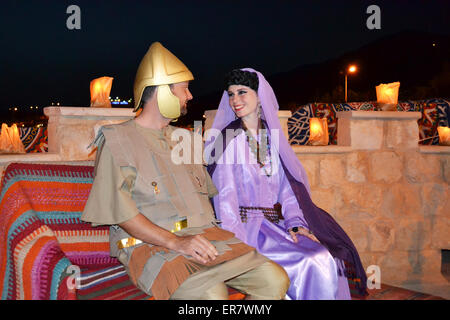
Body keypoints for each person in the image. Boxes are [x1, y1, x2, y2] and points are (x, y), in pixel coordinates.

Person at [81, 43, 290, 300]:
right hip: (149, 246)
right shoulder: (117, 140)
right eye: (184, 89)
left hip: (205, 238)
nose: (190, 96)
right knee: (212, 294)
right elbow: (122, 215)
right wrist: (176, 242)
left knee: (275, 280)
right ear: (162, 92)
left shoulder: (187, 140)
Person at [205, 68, 367, 300]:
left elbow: (288, 190)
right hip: (245, 232)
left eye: (242, 92)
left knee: (323, 254)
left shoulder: (272, 139)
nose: (235, 100)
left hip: (275, 227)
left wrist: (295, 223)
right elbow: (225, 200)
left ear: (259, 95)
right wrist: (237, 248)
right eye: (231, 94)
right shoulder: (228, 141)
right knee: (305, 261)